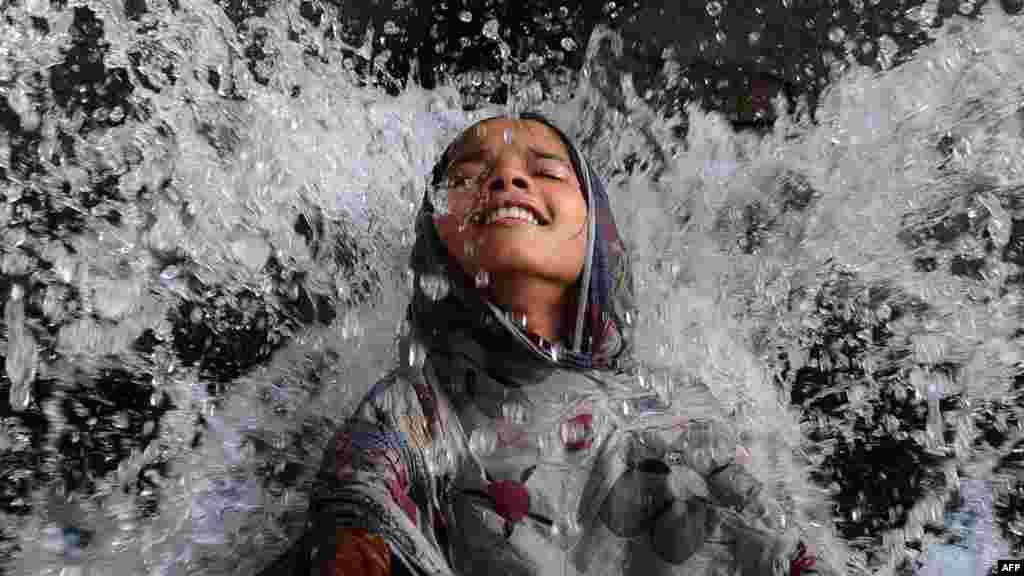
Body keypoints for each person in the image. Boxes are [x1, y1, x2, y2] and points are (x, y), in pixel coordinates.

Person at [267, 113, 820, 575]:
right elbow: (358, 503)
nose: (507, 179)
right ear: (436, 239)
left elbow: (768, 536)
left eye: (546, 170)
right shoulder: (422, 405)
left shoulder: (672, 399)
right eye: (467, 174)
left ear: (597, 233)